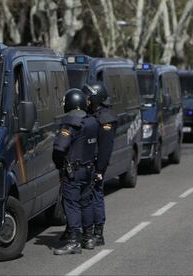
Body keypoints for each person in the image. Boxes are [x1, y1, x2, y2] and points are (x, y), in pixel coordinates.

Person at [52, 88, 99, 255]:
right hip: (89, 169)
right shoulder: (92, 121)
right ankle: (88, 238)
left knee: (71, 204)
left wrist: (59, 166)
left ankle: (74, 242)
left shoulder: (70, 123)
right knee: (86, 203)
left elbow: (59, 148)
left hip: (73, 171)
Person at [83, 82, 118, 246]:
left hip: (97, 166)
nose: (87, 100)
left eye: (89, 97)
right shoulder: (94, 114)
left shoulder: (105, 119)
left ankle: (98, 233)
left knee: (96, 197)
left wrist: (99, 170)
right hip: (90, 164)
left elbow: (105, 148)